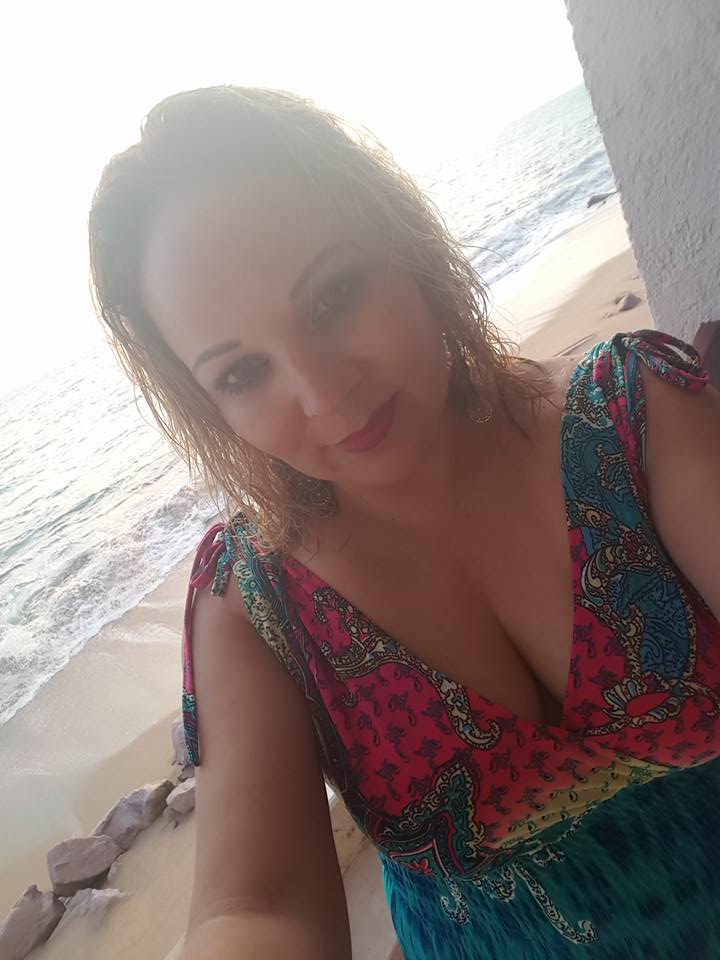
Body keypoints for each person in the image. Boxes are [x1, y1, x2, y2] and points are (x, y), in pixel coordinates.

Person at [88, 86, 720, 960]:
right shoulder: (253, 605)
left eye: (333, 296)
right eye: (241, 373)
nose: (323, 393)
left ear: (404, 243)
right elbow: (257, 905)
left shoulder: (634, 419)